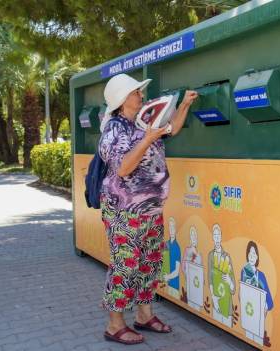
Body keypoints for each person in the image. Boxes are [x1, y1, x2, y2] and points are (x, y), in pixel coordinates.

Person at [98, 73, 198, 345]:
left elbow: (172, 129)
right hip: (124, 210)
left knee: (149, 264)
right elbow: (123, 168)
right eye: (136, 92)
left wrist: (185, 105)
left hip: (151, 210)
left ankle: (144, 316)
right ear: (122, 100)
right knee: (125, 266)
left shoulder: (144, 121)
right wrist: (146, 139)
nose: (141, 95)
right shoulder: (114, 129)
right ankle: (114, 324)